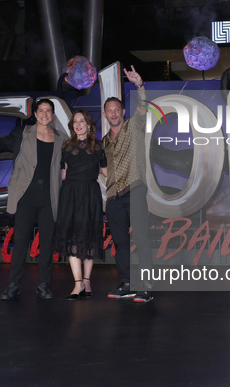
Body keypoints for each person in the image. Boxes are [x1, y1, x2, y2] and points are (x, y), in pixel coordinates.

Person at [0, 98, 68, 300]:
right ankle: (13, 285)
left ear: (52, 115)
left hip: (50, 198)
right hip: (25, 196)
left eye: (48, 111)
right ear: (36, 114)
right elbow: (0, 144)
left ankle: (44, 285)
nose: (45, 114)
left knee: (46, 244)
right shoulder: (23, 133)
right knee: (20, 242)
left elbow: (64, 164)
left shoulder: (61, 138)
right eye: (41, 110)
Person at [103, 65, 154, 303]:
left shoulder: (133, 126)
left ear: (123, 111)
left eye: (116, 110)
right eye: (109, 111)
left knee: (141, 237)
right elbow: (105, 168)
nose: (113, 113)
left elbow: (143, 108)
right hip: (113, 196)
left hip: (134, 188)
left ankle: (146, 285)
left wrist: (139, 86)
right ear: (105, 115)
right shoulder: (104, 141)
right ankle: (126, 283)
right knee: (120, 242)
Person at [54, 110, 107, 300]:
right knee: (73, 237)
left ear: (89, 124)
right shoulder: (66, 146)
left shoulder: (99, 146)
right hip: (71, 194)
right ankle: (77, 283)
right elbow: (63, 174)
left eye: (81, 121)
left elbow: (107, 172)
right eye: (75, 121)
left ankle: (87, 281)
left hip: (90, 194)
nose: (78, 124)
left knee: (89, 236)